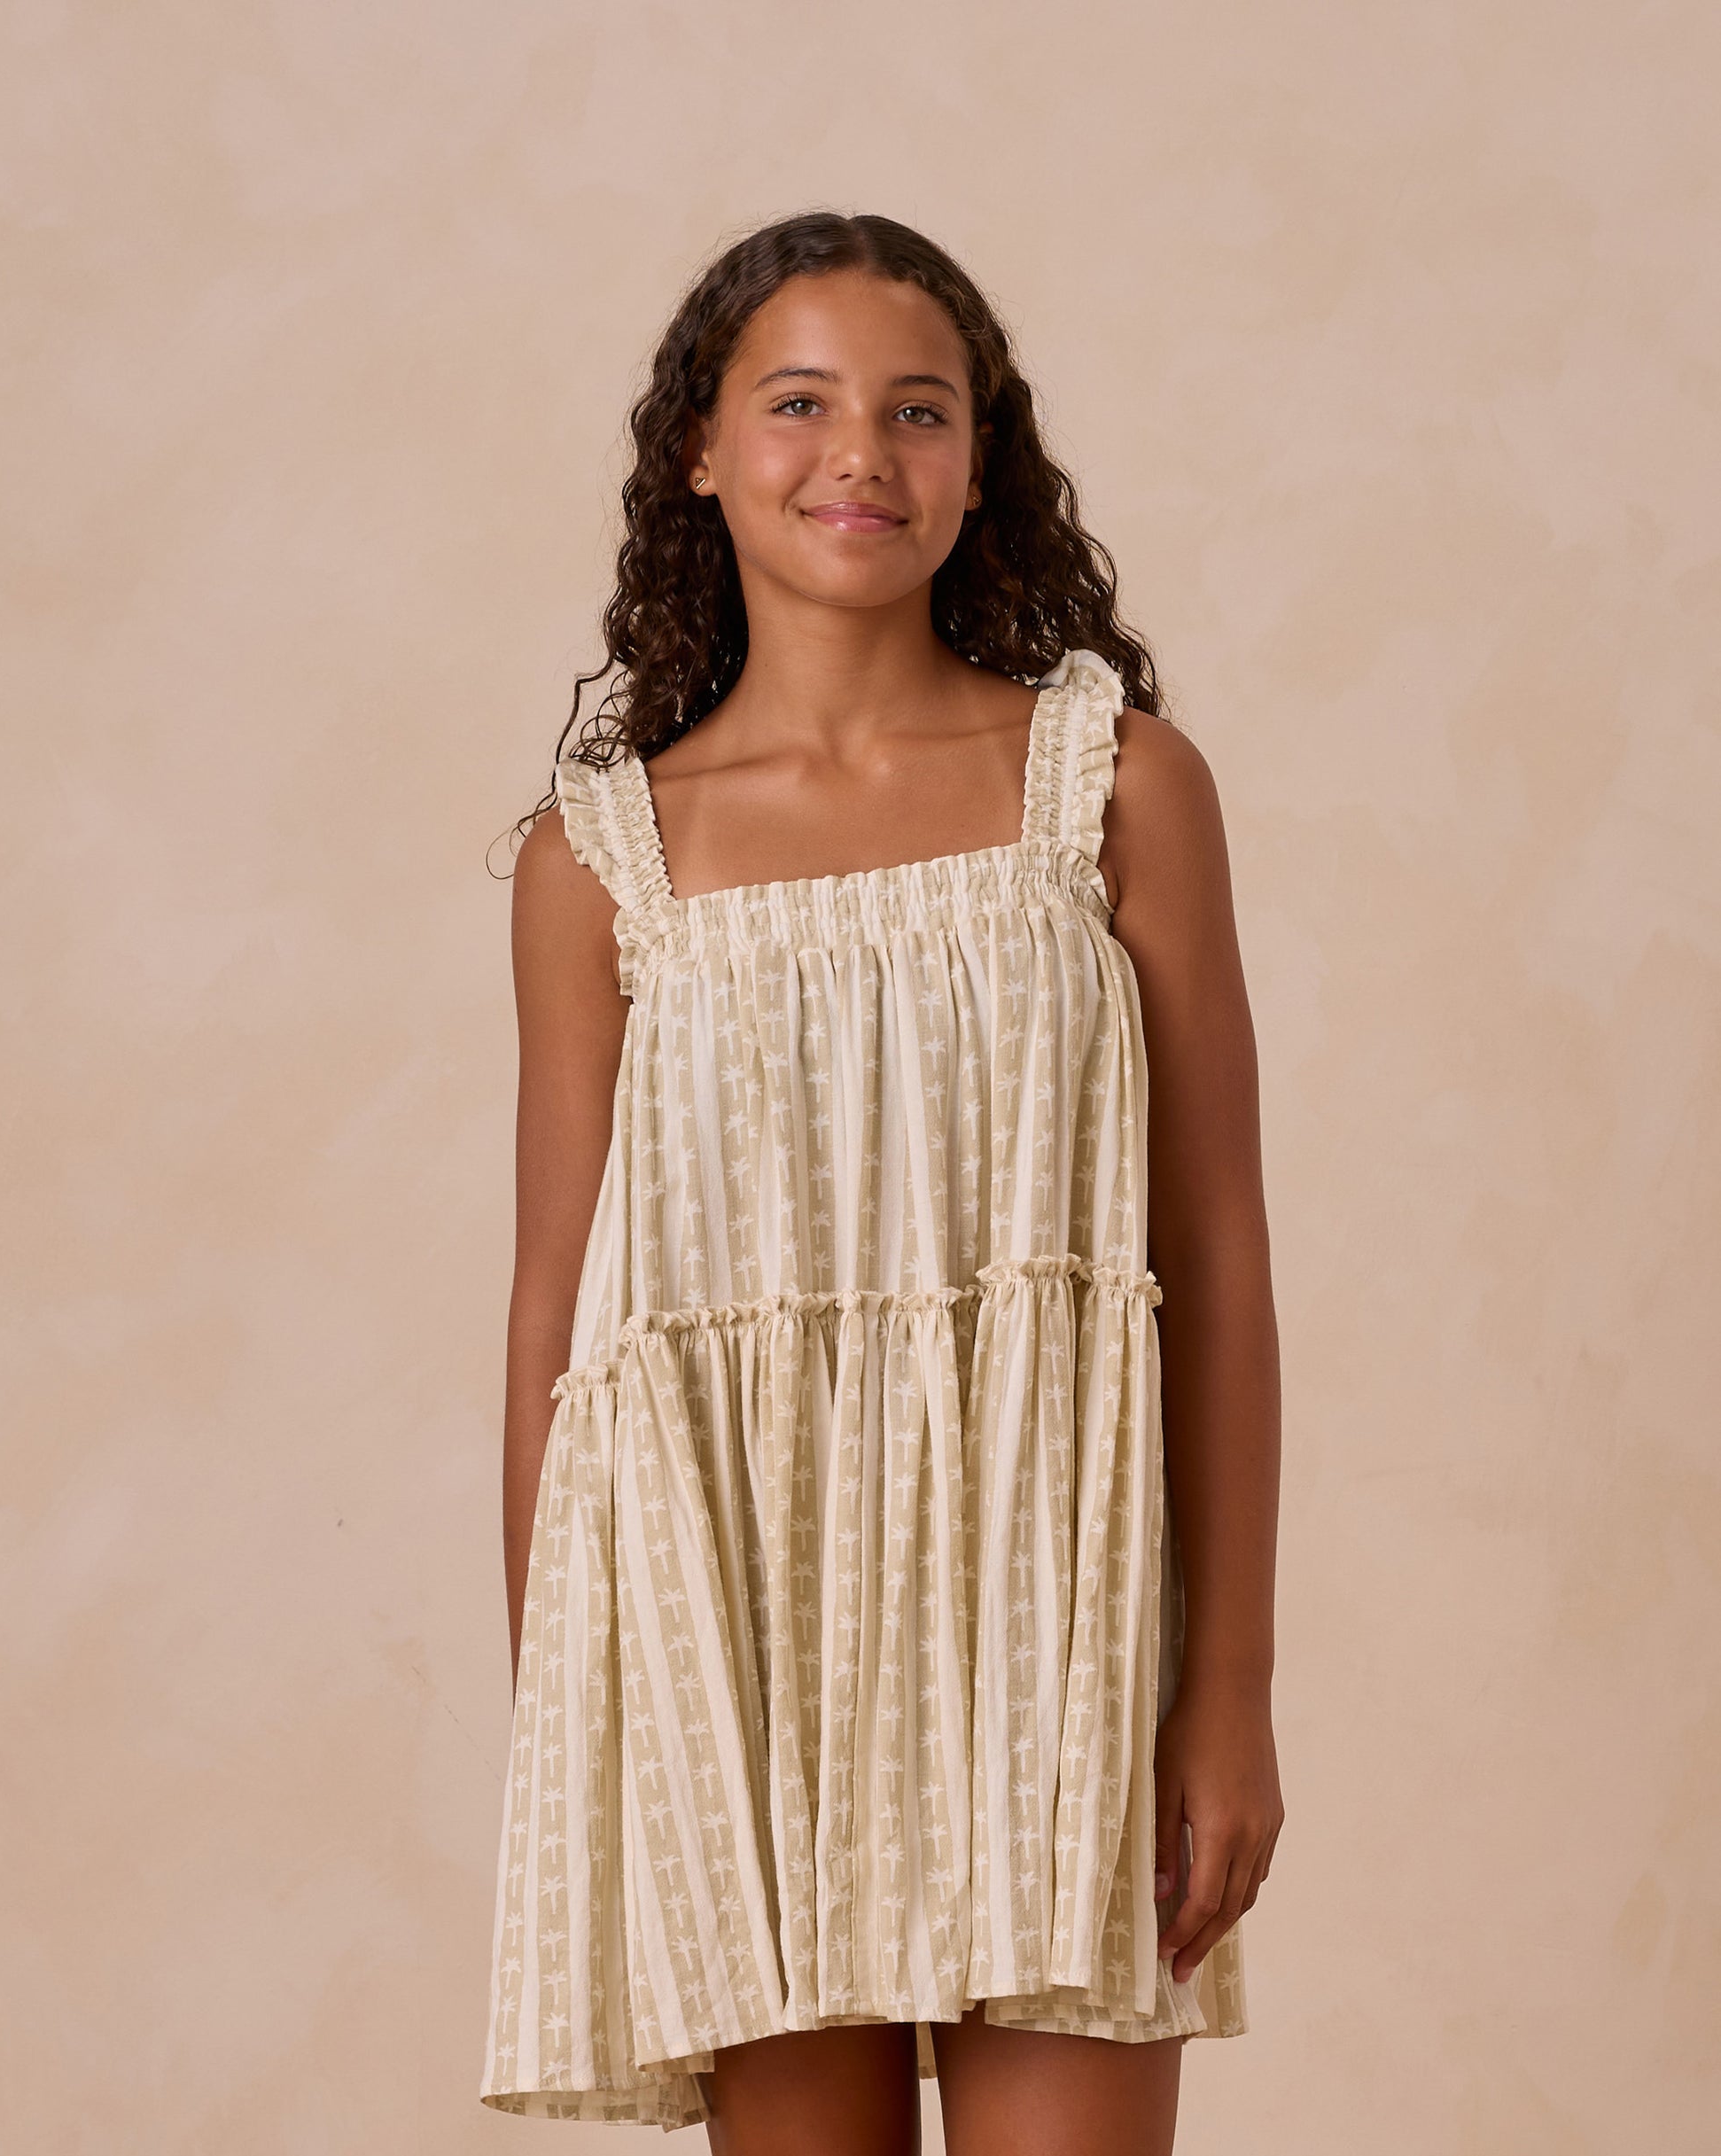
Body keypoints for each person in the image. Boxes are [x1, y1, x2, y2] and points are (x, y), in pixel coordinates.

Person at [479, 209, 1283, 2155]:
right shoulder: (599, 860)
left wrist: (1228, 1689)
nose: (861, 453)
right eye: (800, 403)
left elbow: (1212, 1252)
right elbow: (559, 1331)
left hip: (1057, 1617)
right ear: (697, 448)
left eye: (919, 409)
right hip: (737, 1640)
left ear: (981, 461)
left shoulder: (1115, 787)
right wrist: (581, 1732)